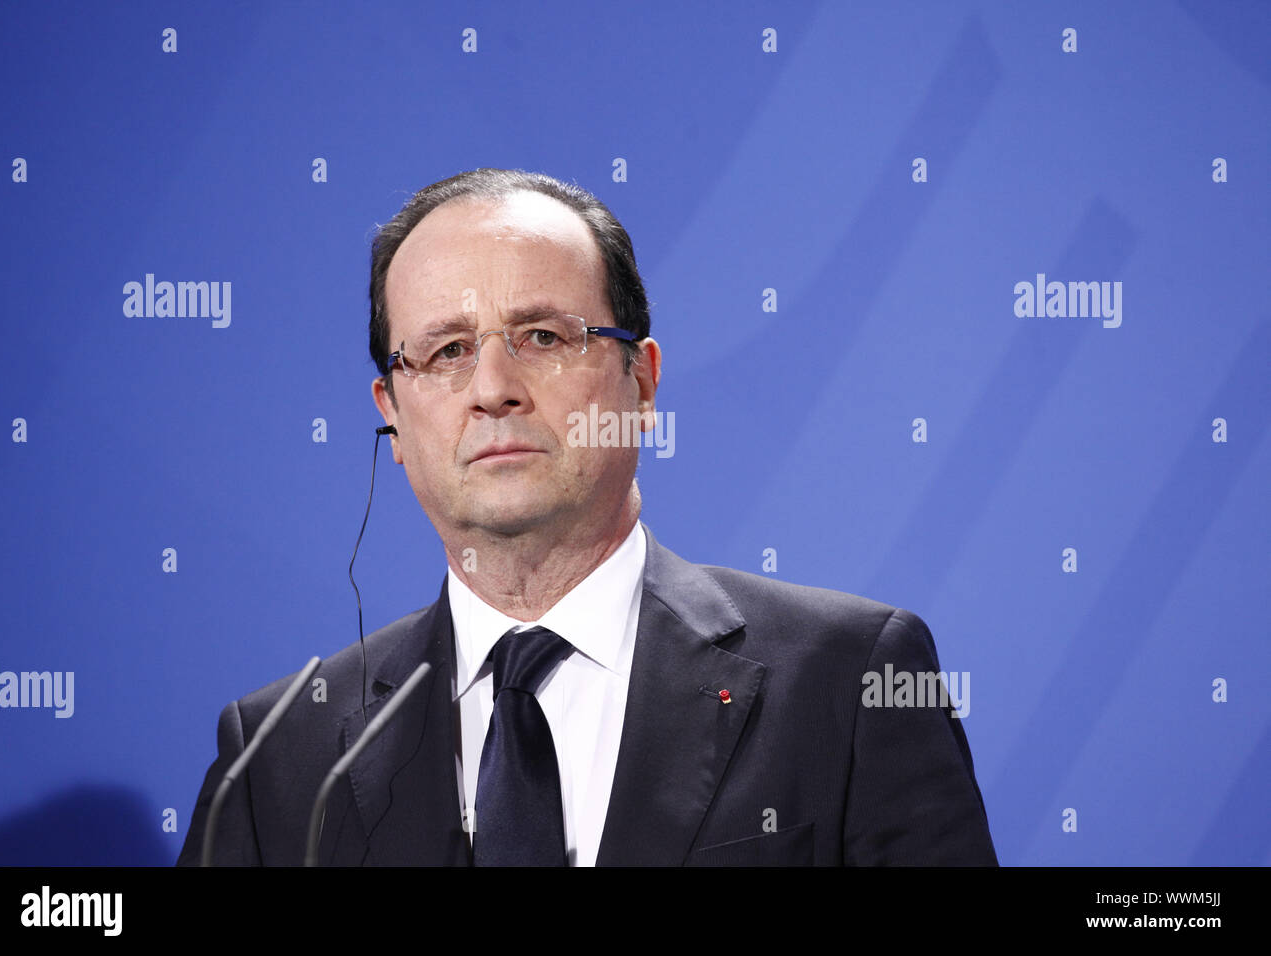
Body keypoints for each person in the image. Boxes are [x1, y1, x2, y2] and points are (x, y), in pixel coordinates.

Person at [177, 169, 997, 866]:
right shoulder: (278, 755)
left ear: (641, 385)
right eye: (447, 351)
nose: (493, 387)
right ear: (391, 412)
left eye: (542, 336)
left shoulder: (849, 682)